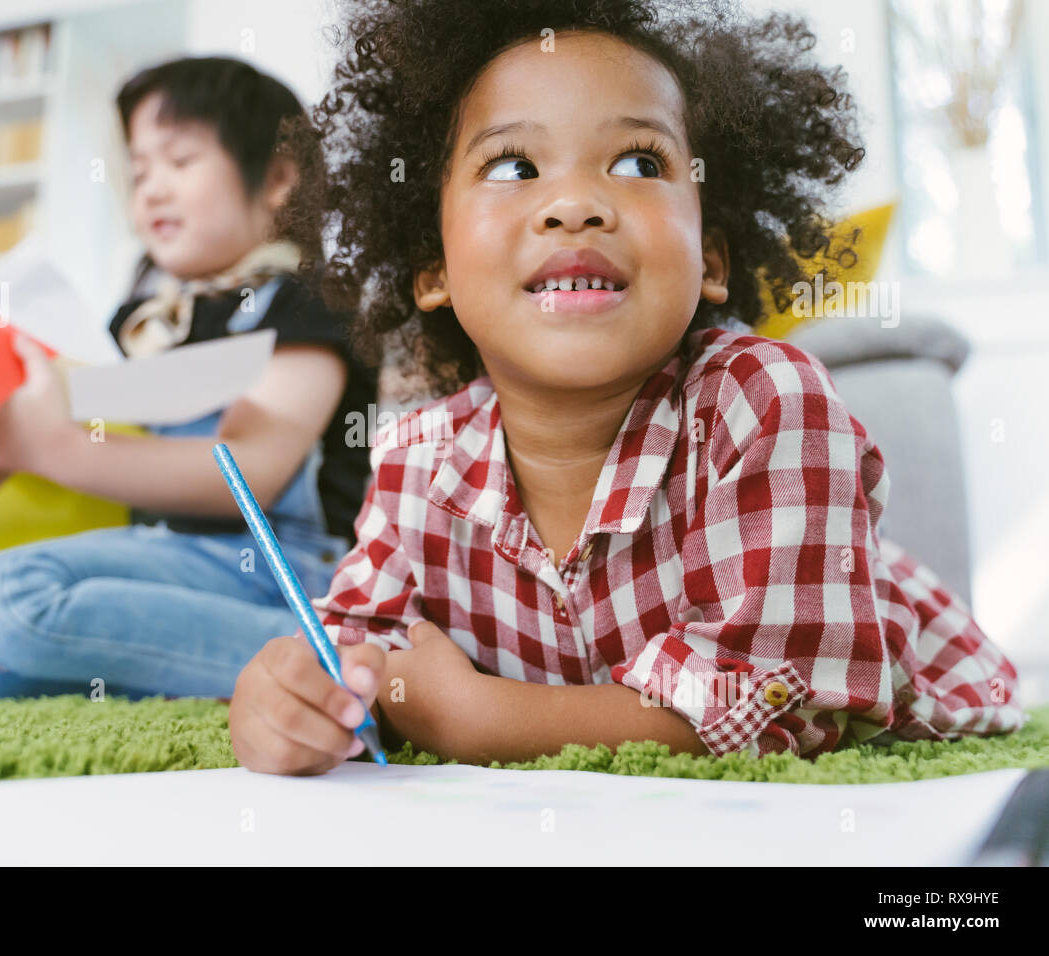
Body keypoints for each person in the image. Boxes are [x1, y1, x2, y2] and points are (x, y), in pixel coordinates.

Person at [227, 0, 1026, 774]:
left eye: (639, 163)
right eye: (513, 166)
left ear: (710, 259)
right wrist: (292, 702)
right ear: (431, 269)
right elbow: (355, 655)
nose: (575, 204)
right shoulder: (416, 459)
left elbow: (785, 707)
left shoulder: (765, 404)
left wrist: (479, 718)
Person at [0, 56, 376, 698]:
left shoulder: (303, 302)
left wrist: (48, 447)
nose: (149, 190)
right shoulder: (142, 320)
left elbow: (249, 473)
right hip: (154, 549)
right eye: (139, 170)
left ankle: (329, 652)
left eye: (179, 161)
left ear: (280, 177)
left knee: (2, 601)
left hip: (274, 567)